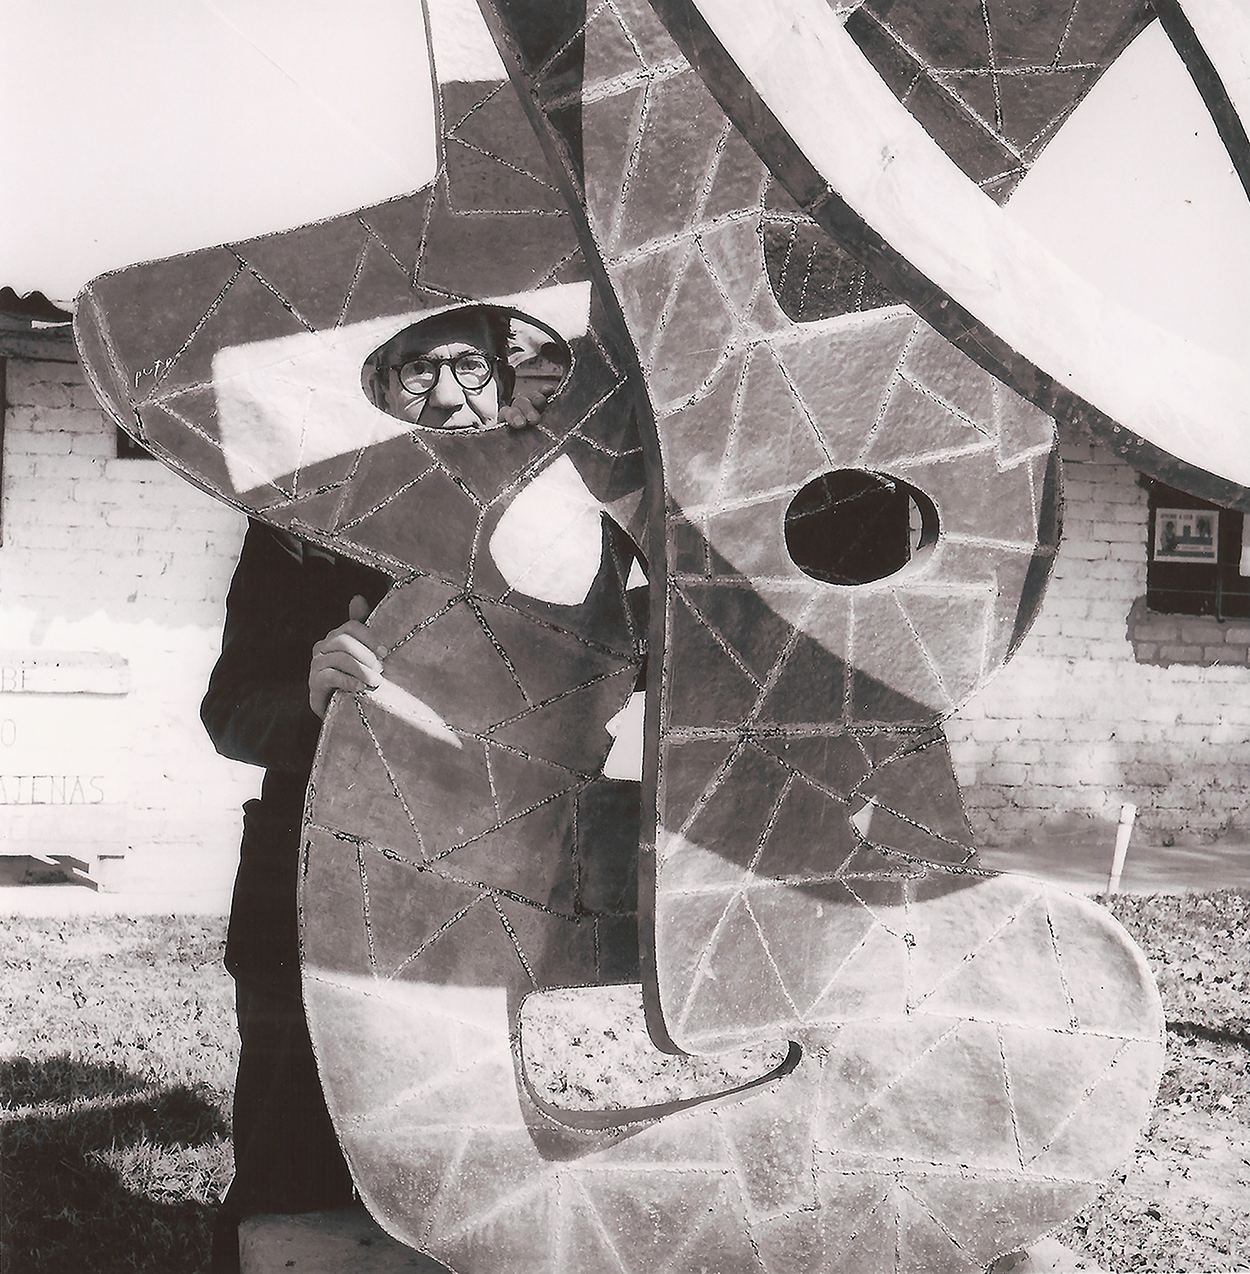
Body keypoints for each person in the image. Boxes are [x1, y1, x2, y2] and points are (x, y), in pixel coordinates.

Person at [203, 305, 544, 1272]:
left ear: (505, 381)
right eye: (418, 370)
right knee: (292, 1173)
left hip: (478, 892)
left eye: (471, 367)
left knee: (459, 1174)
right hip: (308, 890)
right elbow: (228, 712)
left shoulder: (546, 527)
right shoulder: (302, 527)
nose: (447, 393)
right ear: (382, 385)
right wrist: (311, 692)